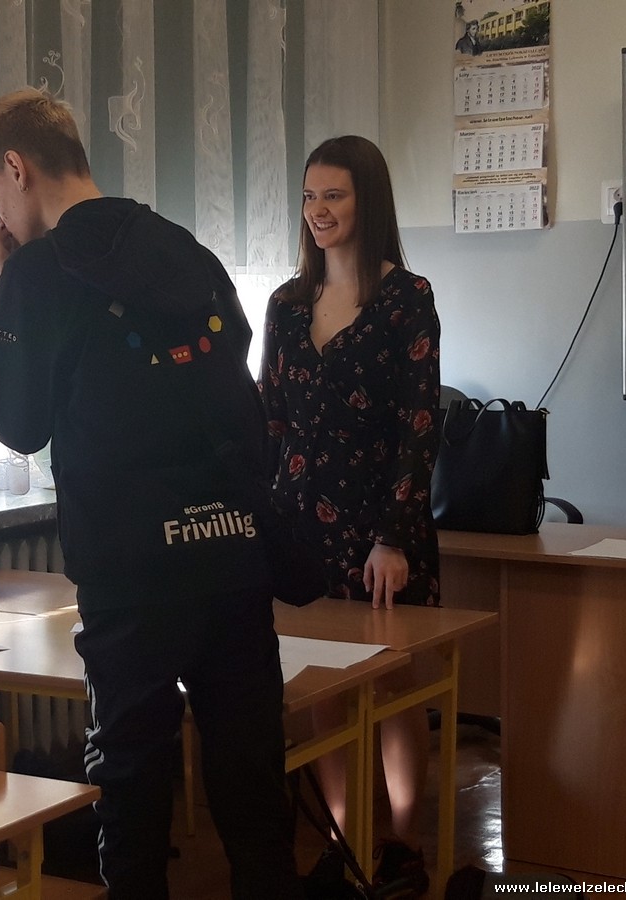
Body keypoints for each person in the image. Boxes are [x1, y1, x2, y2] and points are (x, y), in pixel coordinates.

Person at [0, 88, 301, 900]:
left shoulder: (35, 273)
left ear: (17, 167)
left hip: (130, 568)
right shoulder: (185, 247)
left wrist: (7, 294)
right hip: (232, 552)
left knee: (132, 786)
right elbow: (233, 374)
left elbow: (18, 425)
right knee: (253, 782)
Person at [258, 135, 441, 895]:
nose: (318, 210)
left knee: (394, 690)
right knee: (322, 694)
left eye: (334, 195)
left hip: (381, 533)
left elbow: (420, 425)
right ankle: (345, 842)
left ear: (369, 200)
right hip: (302, 530)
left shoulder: (407, 298)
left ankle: (402, 844)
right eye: (309, 196)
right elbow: (270, 420)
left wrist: (392, 537)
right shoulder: (285, 304)